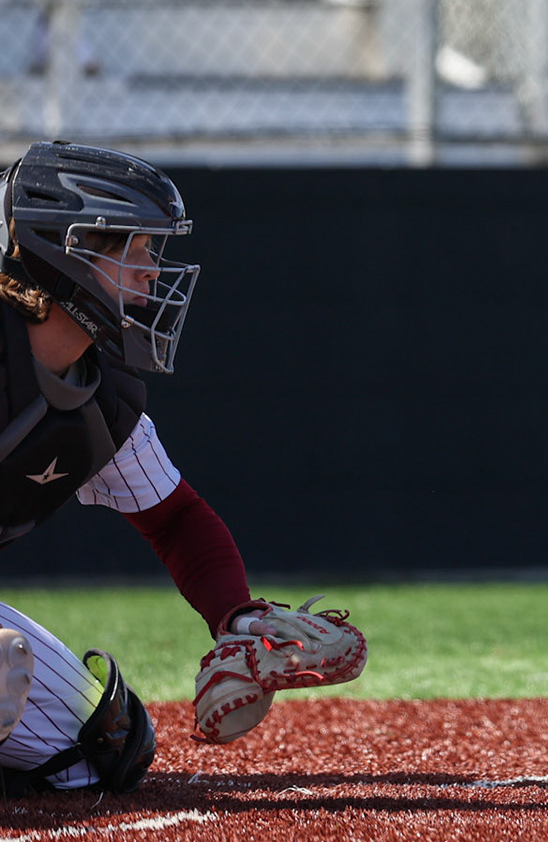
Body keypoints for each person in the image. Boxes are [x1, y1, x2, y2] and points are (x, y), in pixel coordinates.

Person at [0, 141, 366, 794]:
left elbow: (176, 520)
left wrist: (238, 620)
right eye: (136, 250)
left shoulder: (96, 401)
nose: (151, 273)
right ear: (68, 249)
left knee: (102, 750)